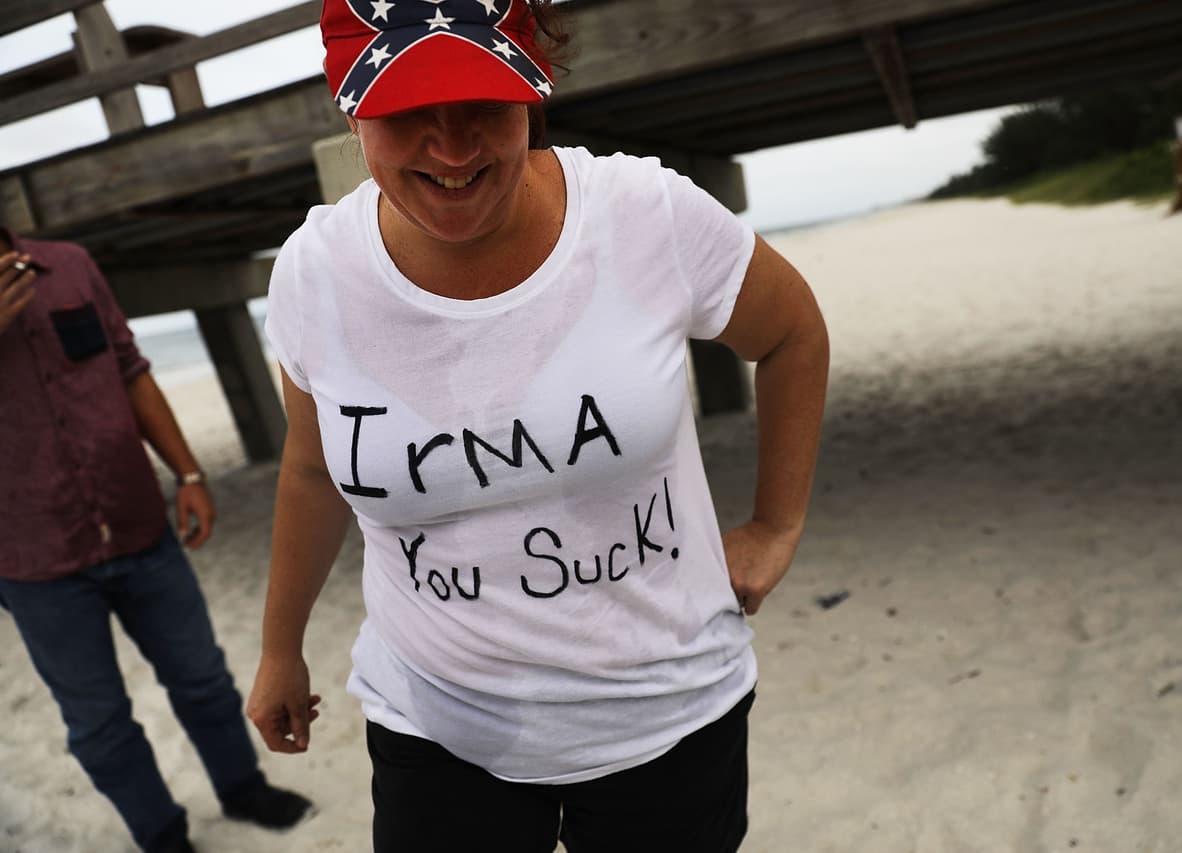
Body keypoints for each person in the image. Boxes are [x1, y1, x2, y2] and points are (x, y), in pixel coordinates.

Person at [246, 0, 828, 850]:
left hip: (666, 717)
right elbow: (310, 469)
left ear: (530, 87)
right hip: (433, 723)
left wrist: (778, 524)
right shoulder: (315, 274)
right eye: (409, 113)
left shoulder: (640, 214)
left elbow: (790, 332)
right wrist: (279, 648)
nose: (450, 149)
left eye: (480, 104)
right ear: (351, 105)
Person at [0, 228, 313, 853]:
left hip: (141, 526)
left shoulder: (69, 264)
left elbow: (130, 370)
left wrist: (190, 473)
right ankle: (162, 836)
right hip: (34, 560)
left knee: (202, 678)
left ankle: (243, 790)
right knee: (98, 720)